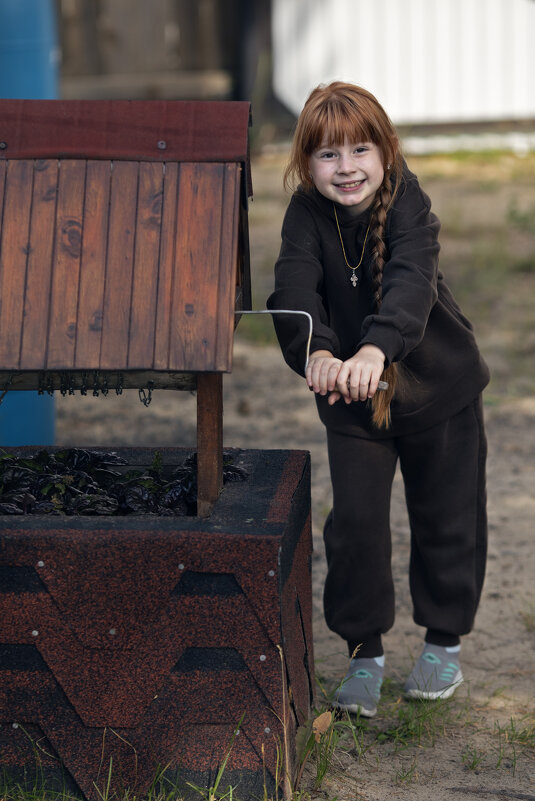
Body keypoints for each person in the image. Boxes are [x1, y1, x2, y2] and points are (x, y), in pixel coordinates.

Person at [267, 82, 489, 718]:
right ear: (306, 164)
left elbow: (411, 287)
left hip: (435, 386)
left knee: (446, 518)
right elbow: (293, 289)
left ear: (386, 151)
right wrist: (316, 352)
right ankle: (364, 653)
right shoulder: (306, 215)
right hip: (352, 398)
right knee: (357, 527)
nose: (346, 168)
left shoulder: (409, 202)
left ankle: (443, 643)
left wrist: (375, 350)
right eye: (328, 155)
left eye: (359, 149)